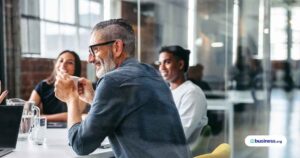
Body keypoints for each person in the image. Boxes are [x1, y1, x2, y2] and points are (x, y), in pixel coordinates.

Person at [54, 19, 191, 158]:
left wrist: (71, 98)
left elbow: (80, 144)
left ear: (117, 47)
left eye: (94, 50)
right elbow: (129, 115)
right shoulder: (152, 73)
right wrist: (93, 98)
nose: (90, 59)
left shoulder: (112, 81)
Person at [158, 45, 208, 149]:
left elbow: (179, 134)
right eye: (160, 63)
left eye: (167, 62)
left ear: (180, 64)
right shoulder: (169, 92)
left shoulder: (192, 93)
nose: (161, 68)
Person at [29, 50, 86, 122]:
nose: (63, 65)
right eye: (61, 61)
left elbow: (74, 114)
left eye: (70, 62)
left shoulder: (81, 87)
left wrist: (42, 117)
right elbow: (29, 109)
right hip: (47, 129)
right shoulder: (43, 85)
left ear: (76, 68)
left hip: (70, 128)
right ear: (56, 64)